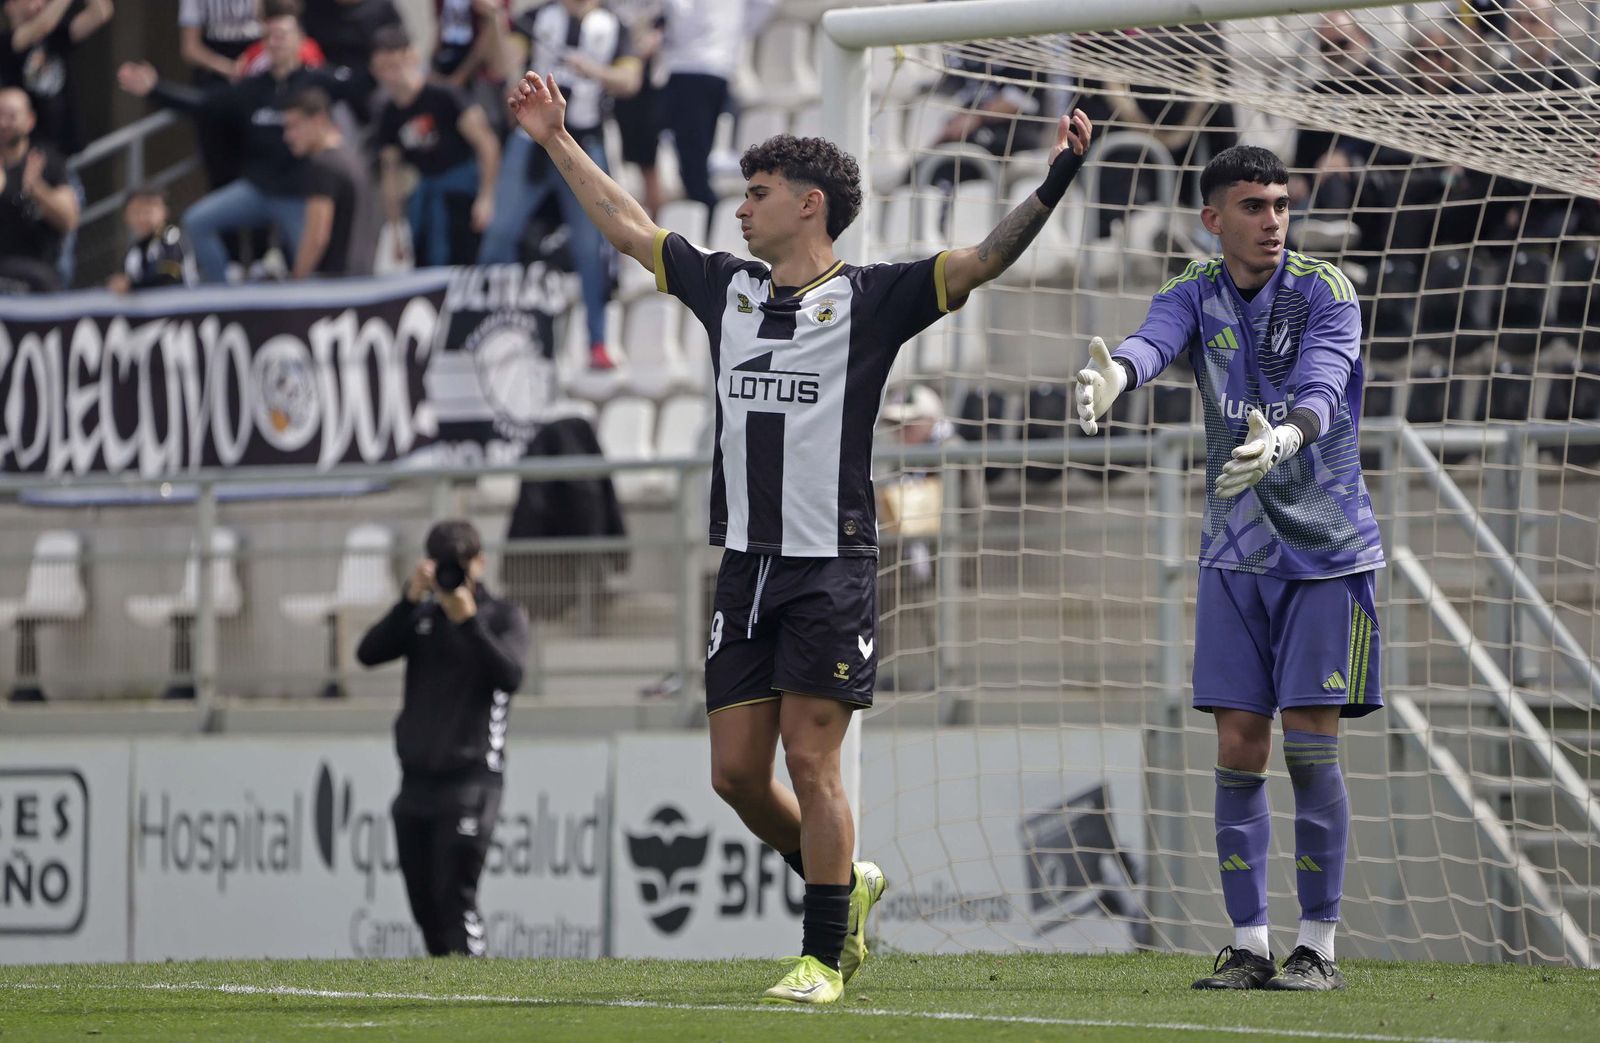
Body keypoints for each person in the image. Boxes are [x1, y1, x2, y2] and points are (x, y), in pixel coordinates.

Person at [506, 68, 1093, 1003]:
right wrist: (553, 138)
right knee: (737, 775)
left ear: (808, 205)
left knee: (811, 759)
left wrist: (1057, 178)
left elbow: (982, 258)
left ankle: (824, 957)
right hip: (745, 564)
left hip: (832, 563)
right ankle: (845, 882)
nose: (740, 210)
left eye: (758, 193)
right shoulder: (724, 289)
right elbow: (623, 224)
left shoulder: (877, 298)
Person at [1072, 144, 1385, 992]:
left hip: (1324, 556)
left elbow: (1325, 382)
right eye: (1253, 205)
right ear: (1213, 220)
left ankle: (1317, 944)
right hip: (1234, 554)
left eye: (1282, 203)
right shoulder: (1191, 288)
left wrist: (1285, 436)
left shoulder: (1327, 289)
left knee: (1312, 751)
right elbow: (1152, 341)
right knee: (1238, 746)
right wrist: (1118, 377)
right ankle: (1249, 942)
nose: (1273, 220)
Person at [355, 519, 530, 958]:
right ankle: (444, 1004)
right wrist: (408, 598)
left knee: (456, 900)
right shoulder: (422, 617)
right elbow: (368, 653)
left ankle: (478, 998)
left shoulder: (502, 617)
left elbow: (511, 676)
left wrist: (469, 622)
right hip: (415, 783)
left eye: (460, 565)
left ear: (479, 563)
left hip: (471, 781)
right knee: (425, 908)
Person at [117, 1, 359, 283]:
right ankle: (226, 292)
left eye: (283, 34)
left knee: (311, 255)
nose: (276, 42)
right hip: (257, 187)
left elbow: (359, 86)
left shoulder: (317, 81)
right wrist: (155, 90)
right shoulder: (251, 87)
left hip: (301, 192)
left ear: (300, 38)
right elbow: (206, 104)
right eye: (269, 36)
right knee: (198, 220)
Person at [480, 0, 643, 371]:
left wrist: (595, 70)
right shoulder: (539, 17)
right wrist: (493, 21)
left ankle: (598, 341)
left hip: (583, 141)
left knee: (592, 245)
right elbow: (503, 63)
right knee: (500, 233)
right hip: (532, 140)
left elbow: (630, 81)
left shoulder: (613, 25)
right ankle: (489, 323)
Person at [371, 24, 500, 267]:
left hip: (463, 192)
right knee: (426, 258)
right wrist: (397, 230)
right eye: (382, 69)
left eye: (394, 66)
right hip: (426, 195)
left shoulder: (445, 95)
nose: (389, 76)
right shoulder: (388, 114)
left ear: (410, 57)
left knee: (463, 259)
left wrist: (486, 197)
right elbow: (390, 173)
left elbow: (487, 144)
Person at [281, 86, 377, 277]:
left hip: (334, 284)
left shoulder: (323, 167)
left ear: (319, 120)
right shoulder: (352, 159)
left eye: (294, 126)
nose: (288, 136)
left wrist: (297, 280)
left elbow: (317, 236)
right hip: (362, 276)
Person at [0, 0, 114, 151]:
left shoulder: (55, 34)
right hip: (34, 151)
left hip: (68, 145)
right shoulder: (5, 42)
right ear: (9, 6)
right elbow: (42, 27)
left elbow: (100, 13)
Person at [0, 87, 77, 293]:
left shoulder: (47, 161)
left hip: (39, 278)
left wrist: (37, 190)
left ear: (30, 120)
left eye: (11, 115)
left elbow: (69, 219)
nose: (3, 122)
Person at [108, 185, 193, 292]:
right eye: (136, 212)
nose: (142, 218)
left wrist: (133, 285)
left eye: (148, 211)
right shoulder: (133, 251)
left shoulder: (172, 237)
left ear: (164, 211)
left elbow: (170, 272)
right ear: (126, 216)